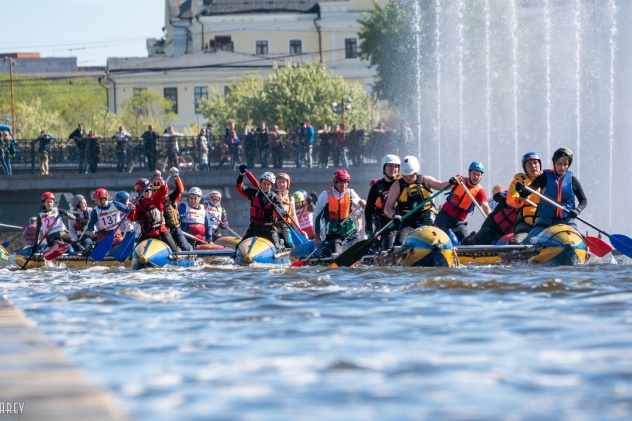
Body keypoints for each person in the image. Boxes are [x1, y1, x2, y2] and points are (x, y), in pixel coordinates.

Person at [517, 147, 587, 245]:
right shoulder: (544, 177)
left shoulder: (572, 180)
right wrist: (520, 189)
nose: (561, 167)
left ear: (568, 165)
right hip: (545, 220)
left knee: (577, 242)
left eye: (565, 164)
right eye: (559, 164)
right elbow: (526, 193)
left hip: (566, 220)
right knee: (529, 241)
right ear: (554, 163)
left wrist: (578, 210)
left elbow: (583, 200)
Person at [384, 156, 456, 246]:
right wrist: (394, 216)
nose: (408, 178)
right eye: (405, 175)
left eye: (410, 175)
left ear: (416, 171)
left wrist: (451, 182)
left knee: (439, 241)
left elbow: (442, 185)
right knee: (399, 242)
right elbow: (387, 208)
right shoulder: (397, 186)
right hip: (408, 223)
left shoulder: (426, 180)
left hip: (426, 221)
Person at [313, 169, 366, 256]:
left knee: (359, 251)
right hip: (334, 234)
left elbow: (359, 204)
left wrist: (363, 203)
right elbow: (316, 216)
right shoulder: (324, 195)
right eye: (341, 182)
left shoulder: (351, 193)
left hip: (351, 232)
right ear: (335, 182)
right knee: (336, 254)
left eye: (346, 182)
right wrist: (317, 237)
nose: (344, 185)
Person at [435, 161, 491, 242]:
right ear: (469, 173)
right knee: (438, 238)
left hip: (459, 222)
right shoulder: (459, 180)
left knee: (466, 242)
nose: (475, 177)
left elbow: (485, 206)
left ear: (481, 176)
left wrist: (492, 220)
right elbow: (445, 186)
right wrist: (451, 182)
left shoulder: (480, 191)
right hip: (445, 216)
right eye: (474, 174)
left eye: (478, 175)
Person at [236, 165, 285, 252]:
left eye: (268, 184)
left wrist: (275, 208)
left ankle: (280, 243)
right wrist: (241, 174)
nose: (265, 186)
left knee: (277, 248)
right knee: (239, 247)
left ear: (271, 186)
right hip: (254, 229)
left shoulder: (275, 198)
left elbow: (281, 213)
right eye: (264, 183)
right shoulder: (254, 193)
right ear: (260, 183)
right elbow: (239, 187)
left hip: (269, 230)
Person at [128, 171, 179, 251]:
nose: (149, 192)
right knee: (134, 254)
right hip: (146, 234)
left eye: (150, 189)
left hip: (161, 231)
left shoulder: (155, 198)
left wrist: (159, 178)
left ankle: (178, 253)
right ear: (139, 192)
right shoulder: (136, 203)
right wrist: (131, 209)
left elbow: (164, 190)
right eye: (146, 190)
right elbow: (133, 219)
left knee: (174, 250)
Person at [365, 154, 402, 252]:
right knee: (388, 248)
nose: (393, 169)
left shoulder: (403, 184)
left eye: (396, 166)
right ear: (384, 168)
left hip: (402, 221)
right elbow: (368, 210)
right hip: (385, 224)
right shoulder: (376, 187)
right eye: (390, 166)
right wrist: (369, 231)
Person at [507, 152, 543, 245]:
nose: (533, 166)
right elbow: (511, 200)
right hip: (526, 224)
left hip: (547, 221)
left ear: (539, 165)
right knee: (515, 242)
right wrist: (520, 199)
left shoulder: (549, 180)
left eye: (535, 163)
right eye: (529, 164)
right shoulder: (518, 182)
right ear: (525, 168)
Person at [152, 168, 191, 251]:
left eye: (160, 189)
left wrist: (176, 176)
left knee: (185, 248)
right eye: (156, 190)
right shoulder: (151, 201)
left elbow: (180, 190)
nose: (159, 192)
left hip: (174, 228)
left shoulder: (171, 198)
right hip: (159, 230)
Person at [274, 173, 306, 249]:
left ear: (287, 183)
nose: (281, 184)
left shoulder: (291, 199)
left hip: (285, 225)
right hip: (274, 225)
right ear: (276, 184)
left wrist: (300, 231)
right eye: (279, 182)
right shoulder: (273, 196)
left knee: (290, 245)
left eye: (283, 182)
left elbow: (294, 217)